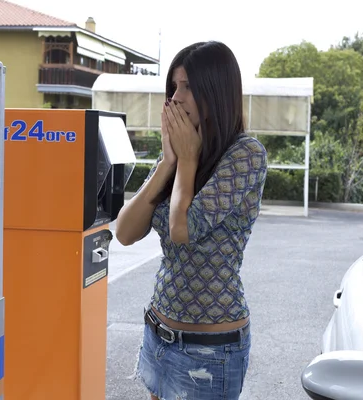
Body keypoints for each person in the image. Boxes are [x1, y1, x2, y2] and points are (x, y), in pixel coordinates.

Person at [115, 41, 268, 400]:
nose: (176, 98)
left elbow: (182, 230)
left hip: (209, 350)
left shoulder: (246, 154)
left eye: (188, 87)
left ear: (215, 92)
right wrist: (169, 162)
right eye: (174, 87)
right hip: (158, 333)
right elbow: (124, 232)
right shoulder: (177, 156)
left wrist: (185, 160)